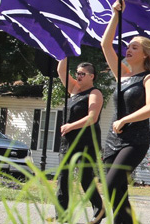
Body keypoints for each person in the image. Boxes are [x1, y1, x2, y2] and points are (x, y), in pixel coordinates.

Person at [101, 0, 150, 224]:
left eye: (135, 47)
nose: (128, 49)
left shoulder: (149, 77)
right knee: (116, 190)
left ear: (145, 54)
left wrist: (125, 119)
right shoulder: (122, 76)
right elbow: (106, 45)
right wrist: (116, 14)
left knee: (111, 182)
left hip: (136, 140)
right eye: (127, 46)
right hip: (113, 138)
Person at [55, 57, 105, 223]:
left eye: (82, 74)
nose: (78, 76)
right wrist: (64, 51)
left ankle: (99, 209)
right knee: (63, 178)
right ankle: (61, 217)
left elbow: (92, 117)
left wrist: (70, 126)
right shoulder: (74, 89)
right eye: (77, 73)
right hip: (68, 141)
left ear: (92, 76)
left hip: (86, 141)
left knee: (85, 178)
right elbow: (61, 71)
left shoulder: (94, 93)